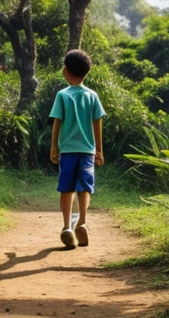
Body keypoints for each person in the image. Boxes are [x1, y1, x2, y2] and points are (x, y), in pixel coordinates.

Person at [49, 49, 105, 249]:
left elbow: (57, 122)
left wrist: (53, 147)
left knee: (67, 188)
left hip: (68, 150)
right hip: (87, 151)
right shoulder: (92, 95)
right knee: (84, 188)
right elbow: (97, 122)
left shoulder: (62, 95)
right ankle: (82, 222)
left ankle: (66, 227)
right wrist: (99, 150)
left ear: (66, 70)